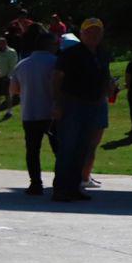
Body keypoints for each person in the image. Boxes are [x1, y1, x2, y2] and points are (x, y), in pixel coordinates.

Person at [52, 18, 111, 202]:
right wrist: (57, 104)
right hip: (72, 105)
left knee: (83, 149)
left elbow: (105, 75)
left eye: (97, 31)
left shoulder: (102, 53)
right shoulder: (71, 54)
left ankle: (74, 187)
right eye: (89, 31)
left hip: (94, 105)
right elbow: (57, 78)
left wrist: (108, 90)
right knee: (67, 147)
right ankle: (60, 189)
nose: (94, 35)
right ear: (82, 34)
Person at [10, 33, 59, 194]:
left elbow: (14, 90)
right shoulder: (56, 62)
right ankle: (60, 181)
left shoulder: (22, 65)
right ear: (49, 45)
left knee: (32, 150)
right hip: (52, 113)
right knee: (58, 149)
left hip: (30, 112)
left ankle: (35, 183)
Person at [0, 36, 18, 116]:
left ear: (5, 43)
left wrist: (8, 76)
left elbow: (13, 66)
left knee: (8, 95)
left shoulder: (12, 52)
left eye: (1, 43)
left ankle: (9, 111)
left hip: (7, 77)